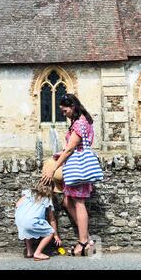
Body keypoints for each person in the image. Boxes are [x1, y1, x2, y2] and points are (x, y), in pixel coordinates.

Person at [41, 93, 95, 256]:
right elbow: (73, 147)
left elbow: (71, 149)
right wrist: (60, 154)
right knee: (66, 201)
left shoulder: (79, 123)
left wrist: (53, 168)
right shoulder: (82, 121)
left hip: (79, 167)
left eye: (65, 111)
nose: (63, 114)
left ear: (72, 107)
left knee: (79, 203)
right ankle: (87, 238)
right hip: (75, 166)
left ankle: (83, 242)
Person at [15, 182, 61, 261]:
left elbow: (17, 204)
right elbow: (52, 219)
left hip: (19, 219)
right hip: (31, 221)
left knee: (27, 231)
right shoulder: (47, 199)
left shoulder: (29, 192)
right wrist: (56, 235)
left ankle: (29, 252)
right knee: (50, 232)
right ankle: (38, 253)